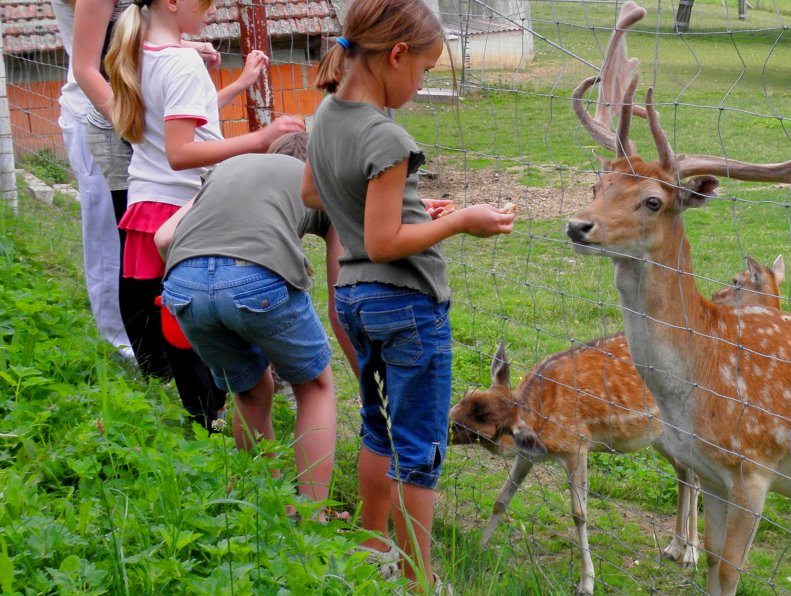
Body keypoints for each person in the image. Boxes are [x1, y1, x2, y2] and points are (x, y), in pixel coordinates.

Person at [304, 0, 514, 589]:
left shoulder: (325, 114)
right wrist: (457, 221)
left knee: (378, 424)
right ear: (396, 56)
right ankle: (421, 579)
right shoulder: (387, 135)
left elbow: (314, 192)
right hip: (407, 307)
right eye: (422, 71)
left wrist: (411, 208)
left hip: (354, 299)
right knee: (420, 446)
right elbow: (383, 238)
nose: (419, 87)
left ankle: (372, 546)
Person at [103, 0, 305, 429]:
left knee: (178, 323)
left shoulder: (140, 50)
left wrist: (236, 84)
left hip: (148, 202)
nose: (213, 9)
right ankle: (215, 417)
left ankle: (203, 419)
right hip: (183, 204)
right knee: (199, 328)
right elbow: (181, 152)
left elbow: (181, 118)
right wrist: (260, 139)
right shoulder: (181, 62)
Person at [153, 132, 349, 512]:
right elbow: (339, 304)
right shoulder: (323, 183)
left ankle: (266, 506)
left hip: (183, 282)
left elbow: (164, 238)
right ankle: (311, 519)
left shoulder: (229, 168)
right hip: (256, 278)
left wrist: (206, 284)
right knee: (316, 388)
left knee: (250, 389)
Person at [61, 0, 216, 362]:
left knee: (152, 249)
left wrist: (184, 47)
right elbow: (86, 67)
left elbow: (133, 33)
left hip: (141, 113)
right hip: (110, 118)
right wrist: (130, 122)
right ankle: (144, 359)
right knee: (125, 247)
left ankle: (167, 355)